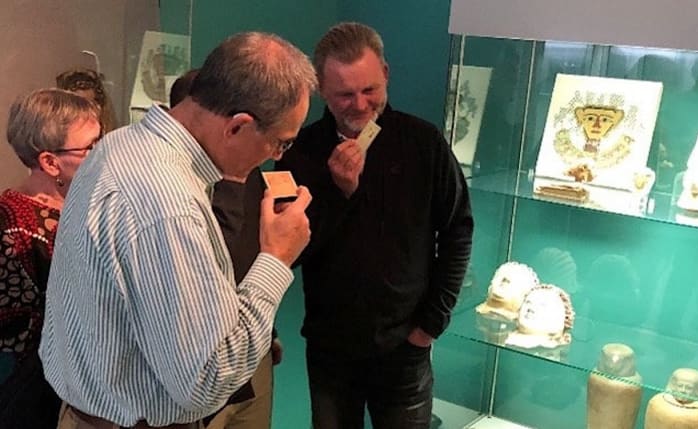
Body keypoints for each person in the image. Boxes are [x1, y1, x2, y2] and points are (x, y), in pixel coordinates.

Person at [39, 31, 317, 429]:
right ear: (237, 127)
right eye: (280, 143)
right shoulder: (170, 206)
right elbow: (204, 382)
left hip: (88, 411)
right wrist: (275, 259)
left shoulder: (119, 144)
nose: (276, 156)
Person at [276, 22, 474, 429]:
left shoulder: (423, 142)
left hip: (406, 347)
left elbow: (457, 229)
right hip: (331, 349)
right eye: (345, 95)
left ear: (385, 73)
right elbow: (286, 253)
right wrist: (338, 193)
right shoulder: (300, 151)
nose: (360, 105)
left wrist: (431, 324)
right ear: (321, 90)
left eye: (369, 90)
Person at [170, 69, 282, 429]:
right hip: (200, 367)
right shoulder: (173, 189)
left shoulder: (256, 176)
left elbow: (253, 261)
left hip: (253, 353)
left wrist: (268, 334)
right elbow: (214, 271)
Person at [0, 88, 101, 429]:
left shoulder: (81, 206)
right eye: (91, 147)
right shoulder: (13, 227)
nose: (102, 154)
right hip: (37, 400)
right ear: (49, 162)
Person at [56, 67, 117, 133]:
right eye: (77, 105)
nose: (83, 113)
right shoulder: (51, 140)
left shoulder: (112, 140)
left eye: (89, 105)